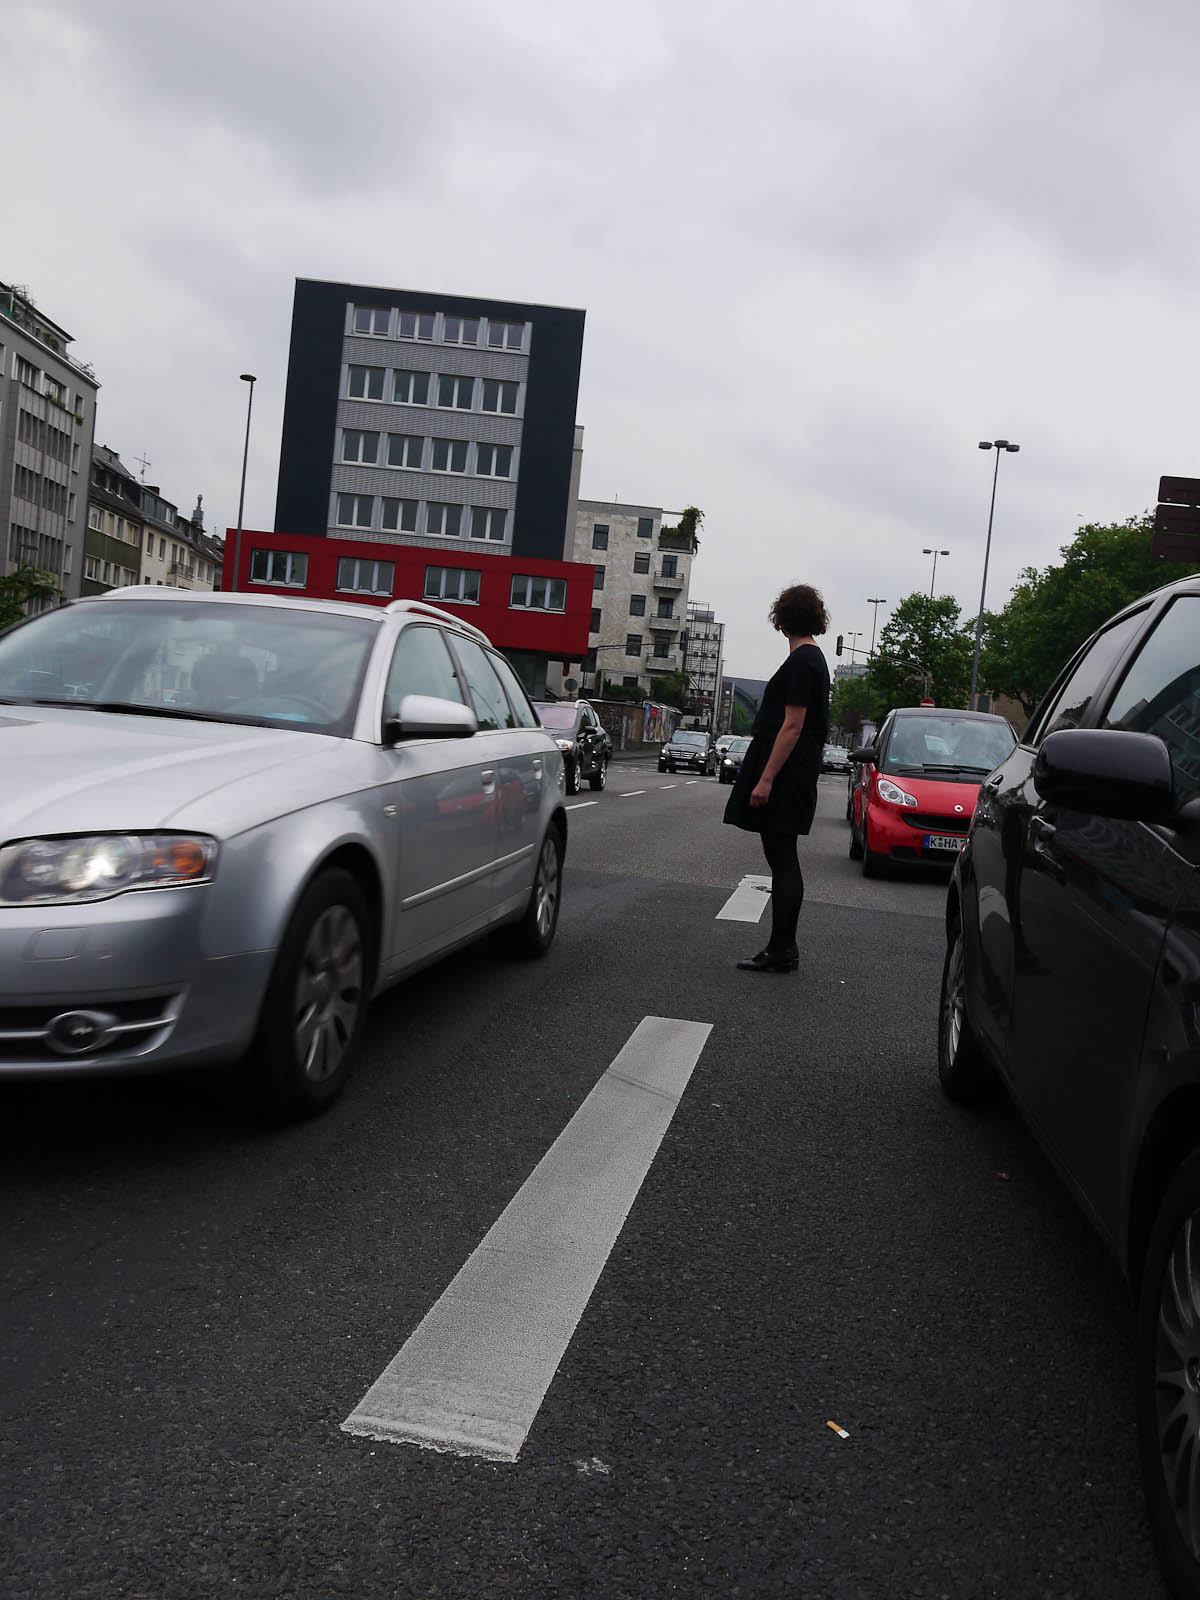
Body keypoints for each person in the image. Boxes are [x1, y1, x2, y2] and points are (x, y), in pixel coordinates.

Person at [723, 583, 831, 973]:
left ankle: (783, 949)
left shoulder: (803, 661)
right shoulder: (812, 659)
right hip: (795, 769)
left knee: (783, 858)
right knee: (782, 856)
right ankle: (782, 946)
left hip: (787, 772)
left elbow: (793, 725)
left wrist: (766, 778)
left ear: (782, 619)